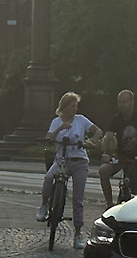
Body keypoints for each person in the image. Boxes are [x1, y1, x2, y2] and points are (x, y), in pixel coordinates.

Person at [35, 91, 101, 251]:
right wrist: (60, 128)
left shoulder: (81, 120)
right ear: (64, 107)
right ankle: (44, 206)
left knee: (78, 199)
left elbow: (98, 131)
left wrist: (91, 141)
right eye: (72, 106)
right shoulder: (56, 121)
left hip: (79, 161)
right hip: (62, 160)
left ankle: (78, 234)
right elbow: (49, 138)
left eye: (76, 106)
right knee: (48, 178)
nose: (75, 109)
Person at [98, 89, 137, 208]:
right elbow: (107, 137)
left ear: (132, 102)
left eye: (125, 102)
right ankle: (109, 204)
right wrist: (104, 153)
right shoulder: (116, 119)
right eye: (120, 102)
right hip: (121, 158)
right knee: (103, 171)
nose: (122, 105)